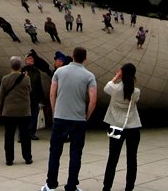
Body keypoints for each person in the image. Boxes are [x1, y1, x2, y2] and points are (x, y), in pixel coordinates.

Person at [41, 46, 97, 191]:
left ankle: (51, 184)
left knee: (55, 152)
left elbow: (52, 94)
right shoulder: (89, 76)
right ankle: (71, 185)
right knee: (76, 154)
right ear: (85, 58)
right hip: (78, 119)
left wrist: (54, 111)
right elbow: (93, 100)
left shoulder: (59, 72)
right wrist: (87, 116)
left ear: (72, 56)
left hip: (60, 117)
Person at [102, 63, 142, 191]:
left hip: (116, 127)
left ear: (122, 73)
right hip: (133, 127)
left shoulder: (114, 89)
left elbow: (106, 87)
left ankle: (107, 187)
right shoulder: (136, 92)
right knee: (132, 159)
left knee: (112, 159)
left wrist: (116, 77)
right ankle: (129, 187)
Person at [0, 56, 33, 165]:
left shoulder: (5, 79)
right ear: (20, 66)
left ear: (11, 66)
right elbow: (29, 90)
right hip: (23, 111)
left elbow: (1, 95)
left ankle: (9, 159)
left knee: (9, 135)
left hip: (9, 111)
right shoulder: (26, 78)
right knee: (25, 135)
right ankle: (27, 157)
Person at [24, 53, 44, 140]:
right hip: (25, 98)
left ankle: (31, 133)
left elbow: (39, 85)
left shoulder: (36, 71)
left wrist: (41, 98)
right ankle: (23, 134)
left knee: (34, 115)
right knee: (25, 116)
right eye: (28, 58)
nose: (31, 59)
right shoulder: (23, 70)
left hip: (34, 97)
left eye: (32, 58)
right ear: (25, 61)